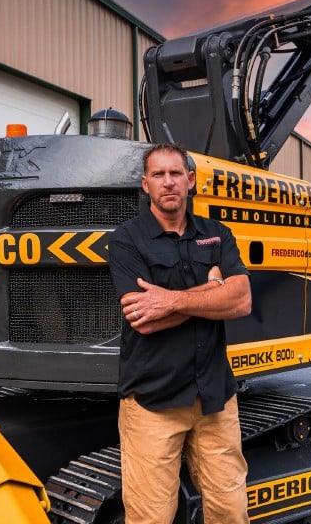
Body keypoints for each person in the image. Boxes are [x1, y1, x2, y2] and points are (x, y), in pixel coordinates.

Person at [107, 143, 252, 524]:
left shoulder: (216, 234)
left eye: (175, 174)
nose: (168, 182)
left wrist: (169, 300)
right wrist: (210, 291)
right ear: (145, 184)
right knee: (152, 518)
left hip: (214, 399)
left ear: (190, 181)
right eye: (159, 175)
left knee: (232, 512)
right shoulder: (126, 240)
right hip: (154, 402)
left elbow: (240, 301)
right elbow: (144, 318)